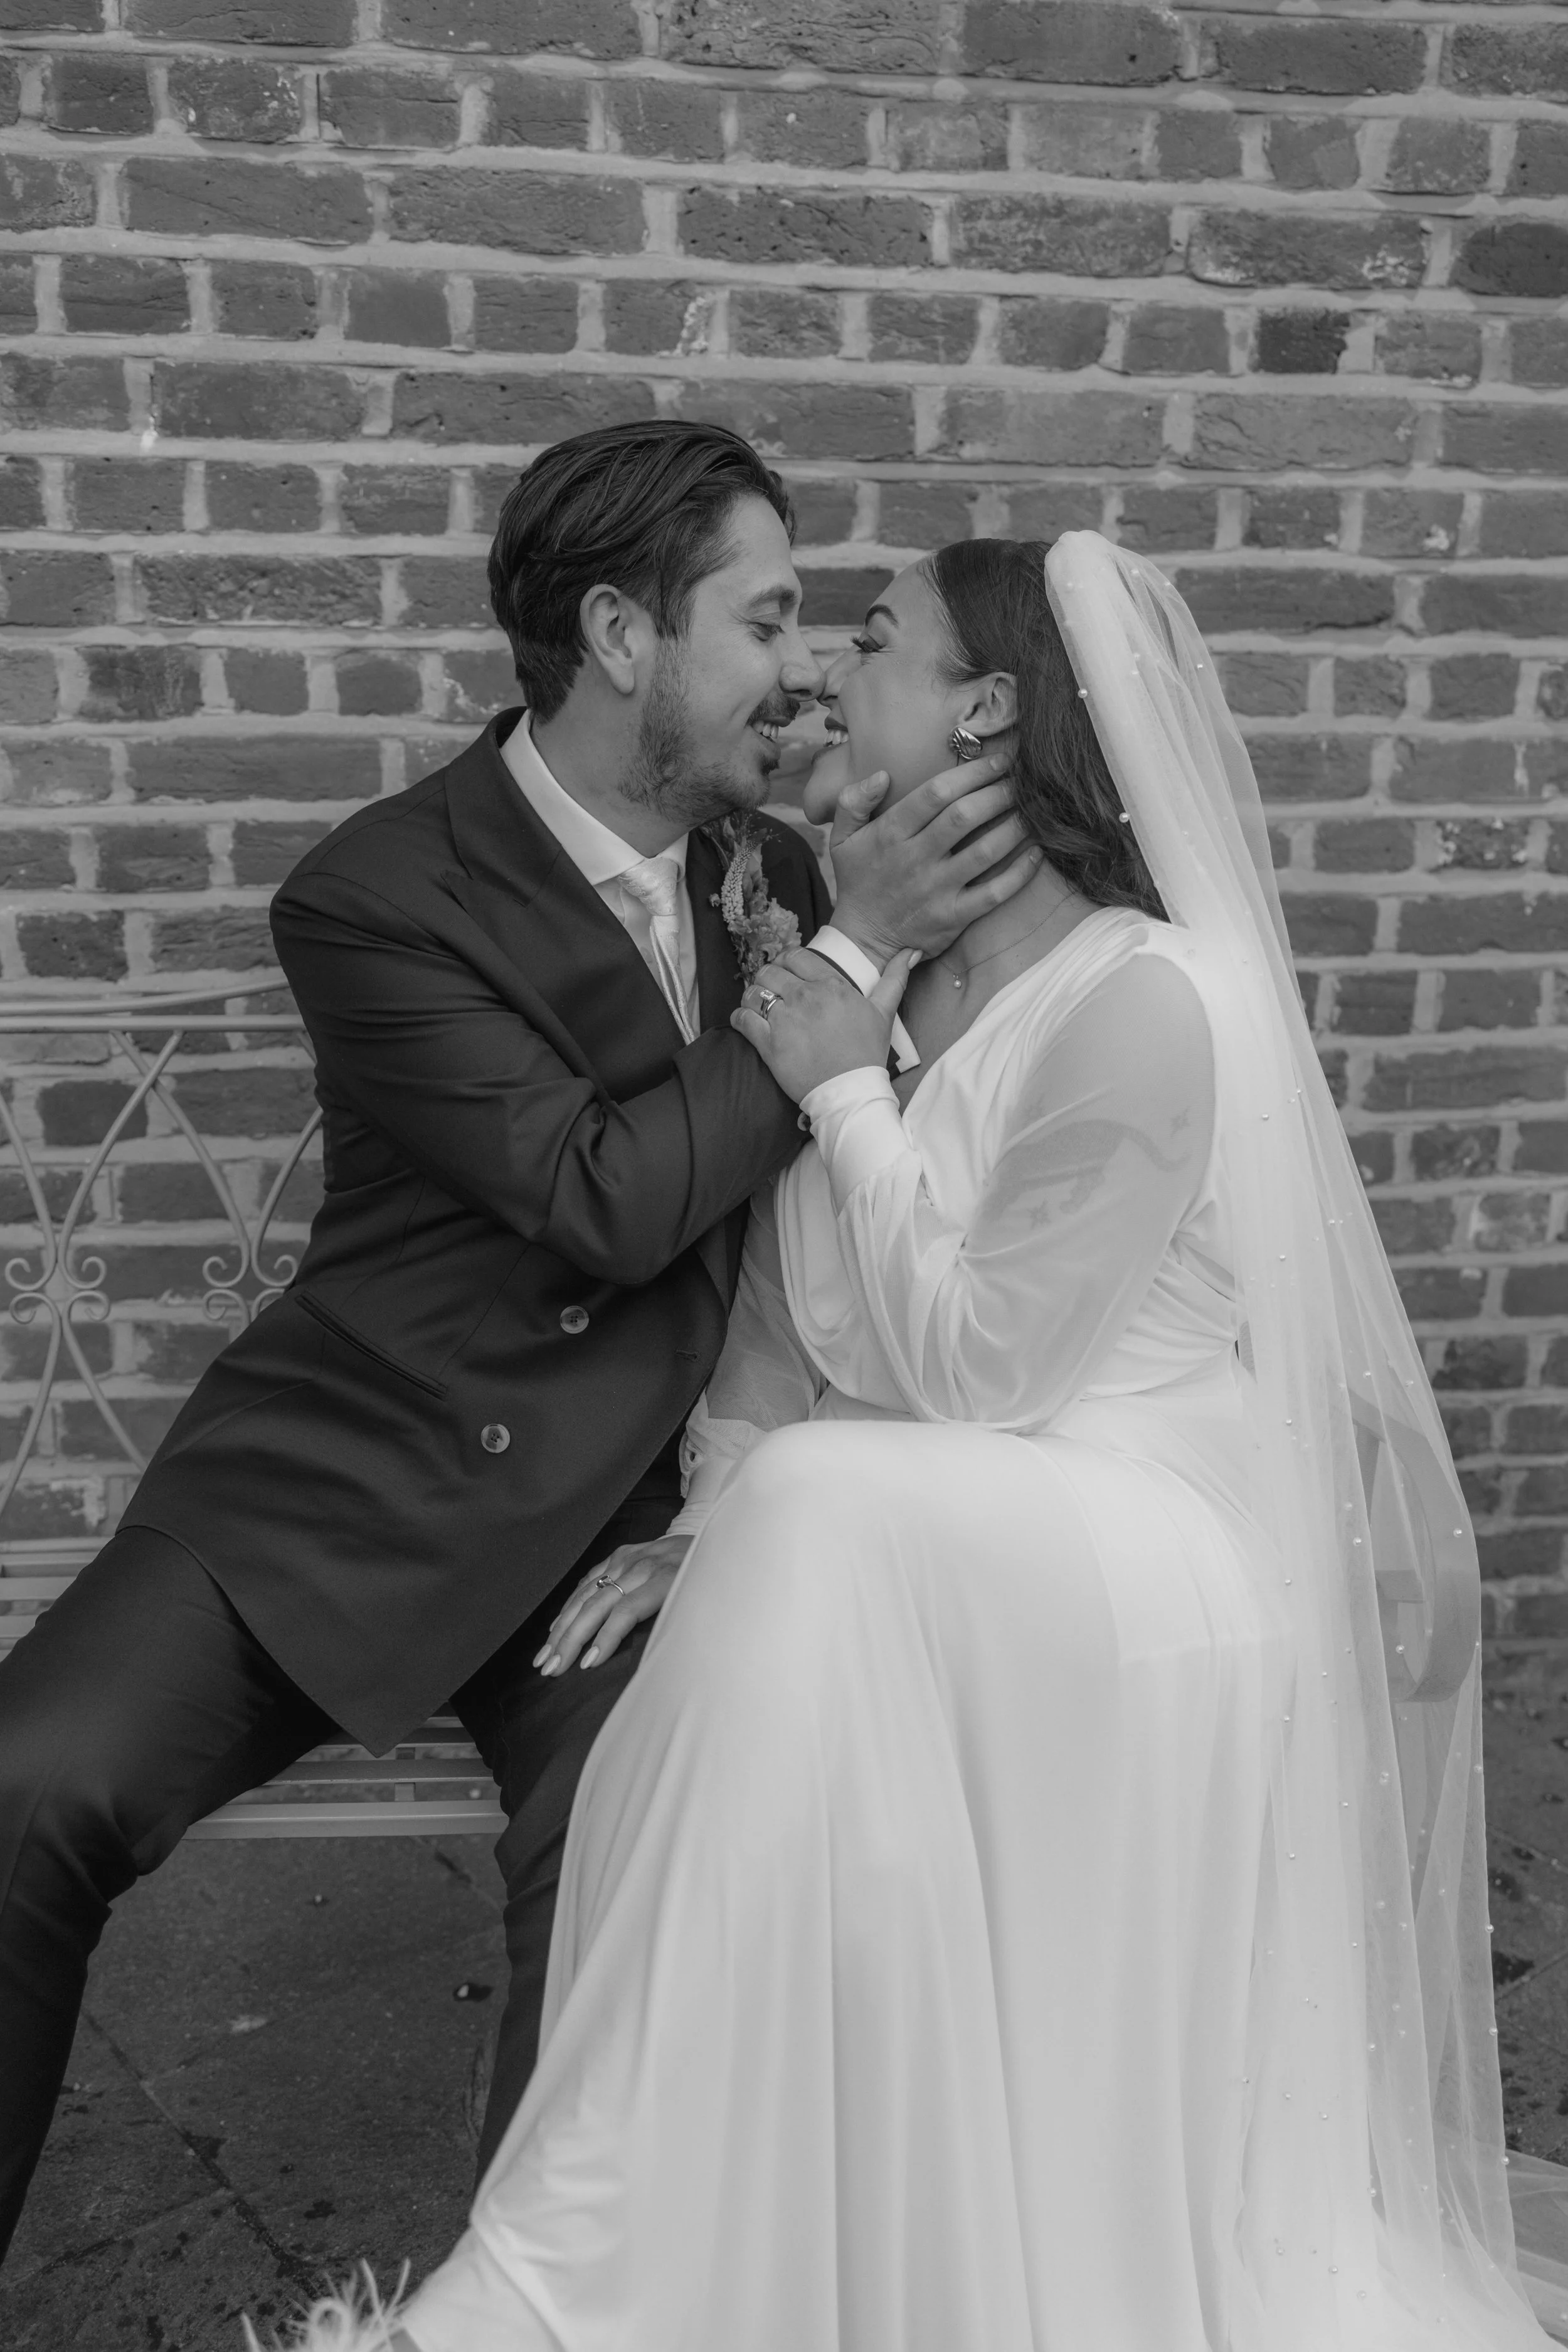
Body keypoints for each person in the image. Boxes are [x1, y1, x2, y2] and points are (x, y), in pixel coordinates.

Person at [273, 532, 1562, 2352]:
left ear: (980, 710)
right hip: (931, 1533)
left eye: (870, 640)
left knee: (808, 1525)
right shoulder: (875, 979)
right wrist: (698, 1522)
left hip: (1148, 1548)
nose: (819, 678)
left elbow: (979, 1366)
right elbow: (783, 1339)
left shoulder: (1143, 999)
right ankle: (645, 2270)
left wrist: (839, 1092)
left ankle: (549, 2303)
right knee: (753, 1580)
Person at [0, 419, 1044, 2262]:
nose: (802, 667)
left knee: (638, 1856)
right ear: (623, 636)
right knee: (24, 1790)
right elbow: (599, 1194)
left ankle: (531, 2305)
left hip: (631, 1520)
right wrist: (861, 956)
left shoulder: (785, 881)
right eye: (767, 617)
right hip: (359, 1470)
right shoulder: (381, 889)